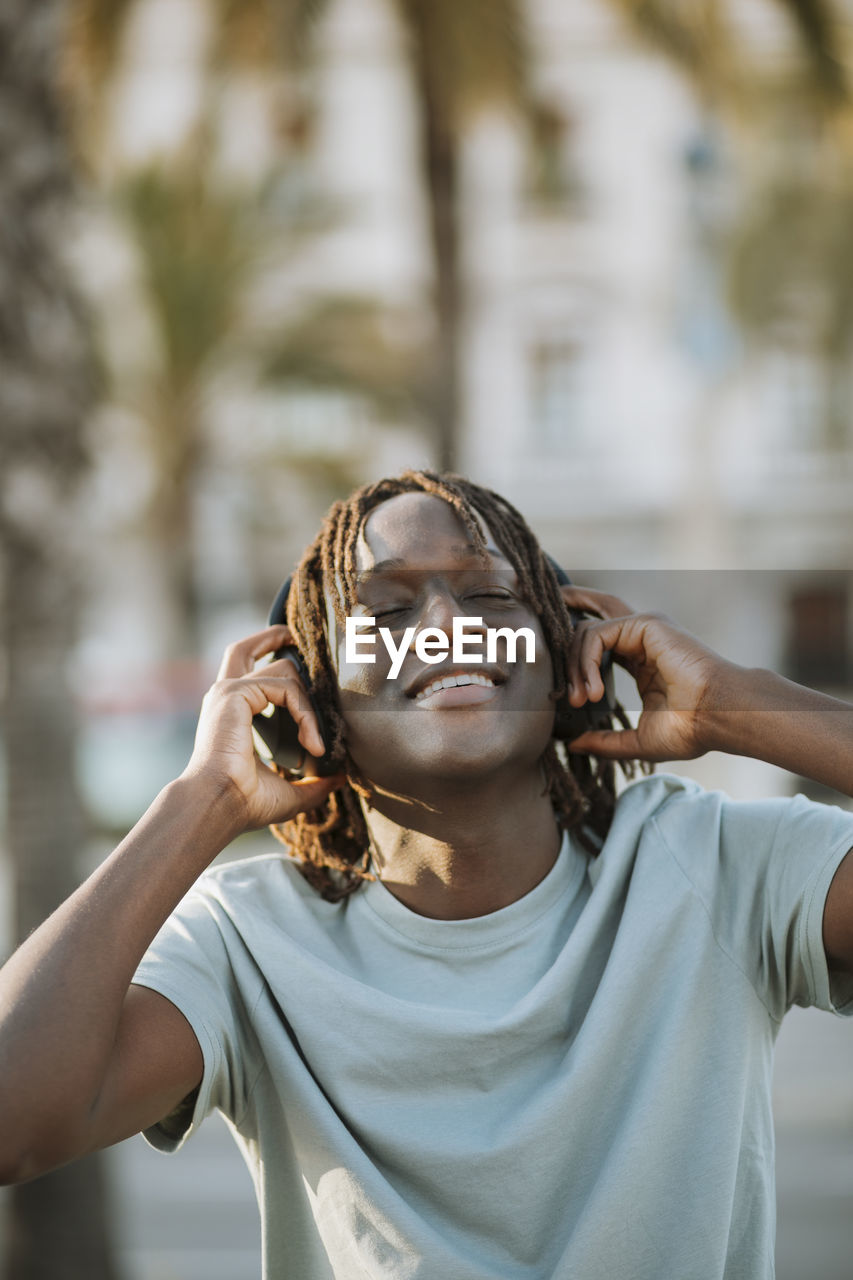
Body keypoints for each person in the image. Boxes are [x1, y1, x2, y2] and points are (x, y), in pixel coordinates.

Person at [1, 468, 851, 1280]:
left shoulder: (716, 862)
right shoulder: (241, 941)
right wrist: (204, 796)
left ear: (569, 664)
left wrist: (738, 704)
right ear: (311, 698)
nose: (448, 623)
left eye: (490, 595)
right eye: (385, 608)